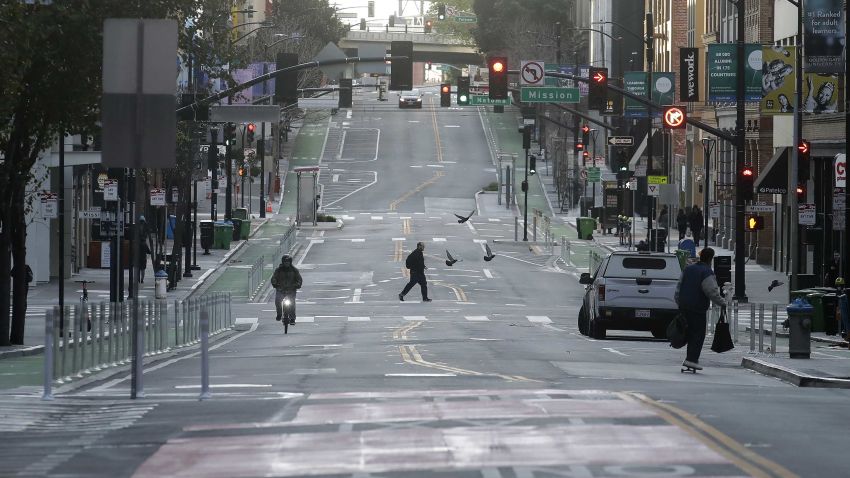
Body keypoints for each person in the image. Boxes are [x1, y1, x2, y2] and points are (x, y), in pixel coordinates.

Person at [674, 247, 726, 370]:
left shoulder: (688, 269)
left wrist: (679, 301)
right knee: (698, 334)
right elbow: (711, 291)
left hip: (684, 305)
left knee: (688, 332)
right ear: (711, 259)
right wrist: (722, 302)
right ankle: (691, 359)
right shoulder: (707, 272)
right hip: (697, 307)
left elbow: (678, 286)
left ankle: (689, 358)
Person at [271, 255, 303, 323]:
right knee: (277, 301)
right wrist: (275, 284)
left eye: (288, 262)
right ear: (283, 262)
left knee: (292, 303)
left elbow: (299, 279)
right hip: (280, 289)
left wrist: (297, 285)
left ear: (290, 262)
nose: (286, 263)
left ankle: (292, 318)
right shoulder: (278, 270)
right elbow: (274, 278)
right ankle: (279, 314)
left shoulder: (294, 270)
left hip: (291, 290)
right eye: (285, 262)